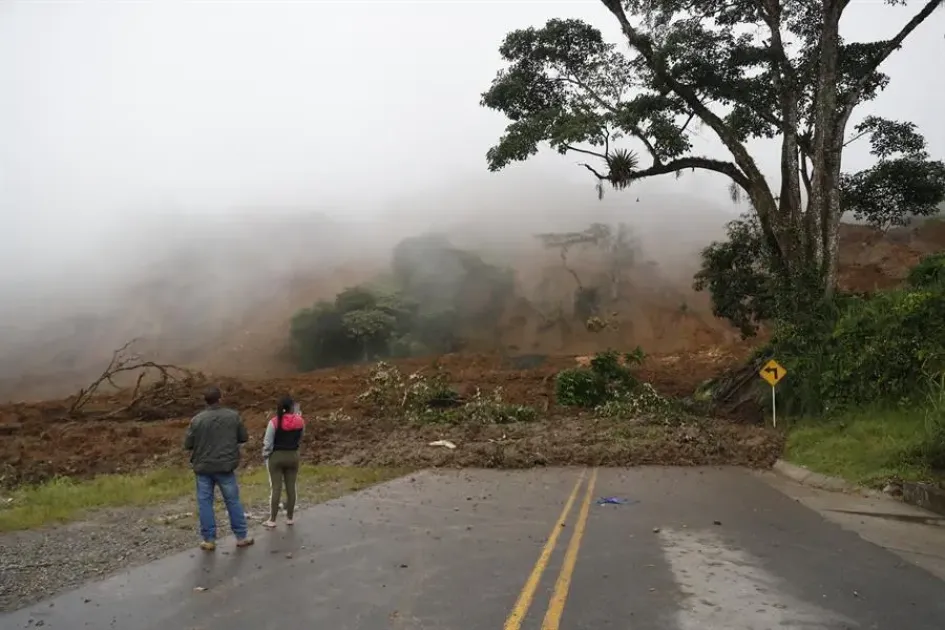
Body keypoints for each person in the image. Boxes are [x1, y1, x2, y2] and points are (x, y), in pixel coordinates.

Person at [184, 385, 254, 551]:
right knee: (233, 501)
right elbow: (243, 437)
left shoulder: (196, 420)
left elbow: (188, 444)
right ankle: (241, 537)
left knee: (205, 503)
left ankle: (209, 540)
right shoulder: (233, 416)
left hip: (203, 468)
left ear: (205, 401)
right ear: (220, 398)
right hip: (225, 467)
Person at [261, 395, 305, 528]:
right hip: (293, 456)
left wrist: (266, 455)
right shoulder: (300, 421)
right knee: (291, 487)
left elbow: (268, 443)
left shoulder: (274, 422)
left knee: (276, 488)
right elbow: (301, 438)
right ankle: (290, 518)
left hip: (276, 457)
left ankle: (272, 520)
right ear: (292, 407)